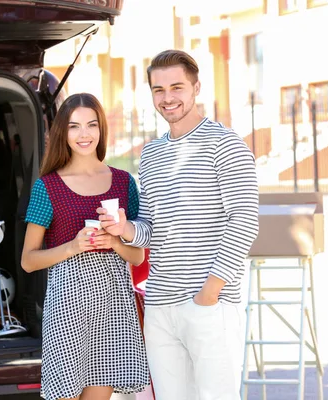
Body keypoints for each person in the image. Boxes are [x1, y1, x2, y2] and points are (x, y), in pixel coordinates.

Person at [98, 49, 260, 399]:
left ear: (196, 87)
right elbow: (152, 228)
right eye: (159, 90)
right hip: (160, 307)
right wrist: (125, 228)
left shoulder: (225, 144)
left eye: (177, 87)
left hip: (208, 305)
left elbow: (244, 221)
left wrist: (210, 292)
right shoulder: (151, 155)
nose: (168, 98)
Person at [21, 93, 150, 400]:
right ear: (62, 132)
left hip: (113, 305)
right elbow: (28, 260)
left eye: (92, 125)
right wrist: (73, 246)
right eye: (75, 126)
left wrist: (115, 242)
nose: (84, 134)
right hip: (68, 305)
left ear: (101, 129)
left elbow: (138, 255)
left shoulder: (123, 182)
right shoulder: (47, 186)